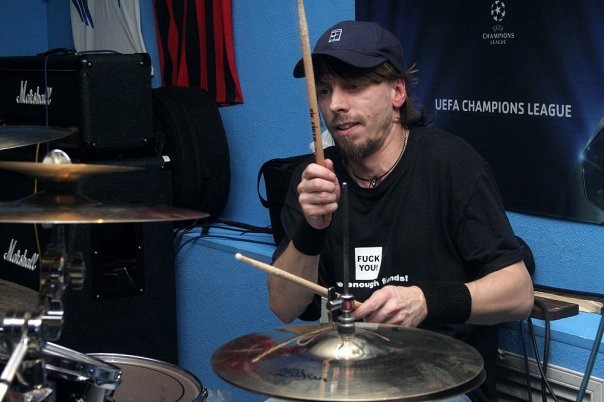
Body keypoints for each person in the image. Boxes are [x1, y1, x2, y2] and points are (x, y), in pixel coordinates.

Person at [268, 20, 534, 402]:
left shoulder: (452, 165)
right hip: (350, 376)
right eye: (324, 90)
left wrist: (425, 300)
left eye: (353, 86)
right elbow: (283, 307)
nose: (335, 104)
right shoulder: (316, 178)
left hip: (441, 381)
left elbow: (519, 294)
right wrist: (311, 228)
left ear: (397, 91)